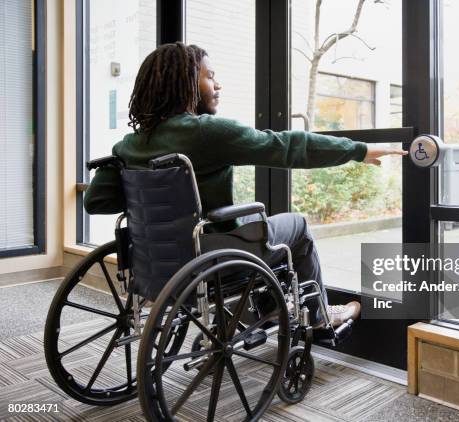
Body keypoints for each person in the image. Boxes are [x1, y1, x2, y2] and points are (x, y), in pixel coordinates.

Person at [84, 42, 407, 328]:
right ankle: (318, 316)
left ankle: (270, 307)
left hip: (156, 262)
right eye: (210, 76)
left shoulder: (129, 145)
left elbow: (96, 203)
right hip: (213, 257)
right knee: (296, 225)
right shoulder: (206, 132)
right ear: (184, 83)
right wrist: (358, 150)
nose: (217, 84)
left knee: (255, 226)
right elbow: (287, 146)